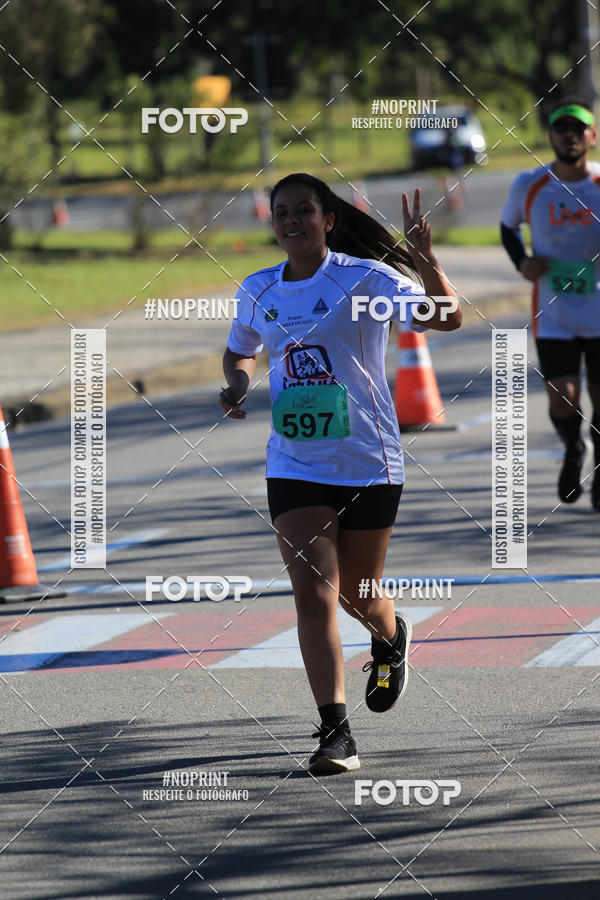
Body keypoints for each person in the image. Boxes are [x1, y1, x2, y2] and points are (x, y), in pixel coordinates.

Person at [220, 173, 461, 774]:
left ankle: (389, 633)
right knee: (313, 591)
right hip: (295, 463)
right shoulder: (257, 289)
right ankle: (335, 732)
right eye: (281, 213)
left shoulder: (365, 280)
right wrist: (237, 381)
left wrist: (428, 264)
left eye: (304, 210)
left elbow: (445, 318)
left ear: (328, 218)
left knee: (360, 594)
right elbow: (241, 346)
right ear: (272, 223)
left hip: (368, 459)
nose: (291, 221)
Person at [500, 98, 600, 510]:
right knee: (564, 397)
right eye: (562, 129)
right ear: (551, 136)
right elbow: (508, 229)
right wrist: (522, 261)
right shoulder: (530, 184)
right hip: (553, 313)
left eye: (578, 129)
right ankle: (574, 448)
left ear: (592, 137)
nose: (570, 136)